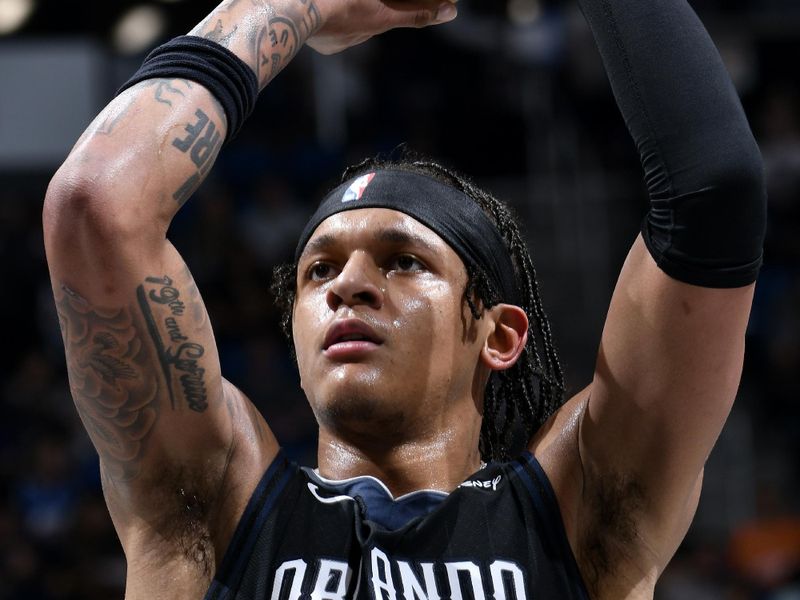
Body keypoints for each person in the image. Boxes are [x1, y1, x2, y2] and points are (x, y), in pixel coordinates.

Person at [42, 0, 767, 597]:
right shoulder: (209, 510)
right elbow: (94, 206)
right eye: (317, 272)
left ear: (499, 335)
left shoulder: (582, 516)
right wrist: (289, 5)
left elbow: (717, 190)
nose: (349, 285)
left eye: (403, 262)